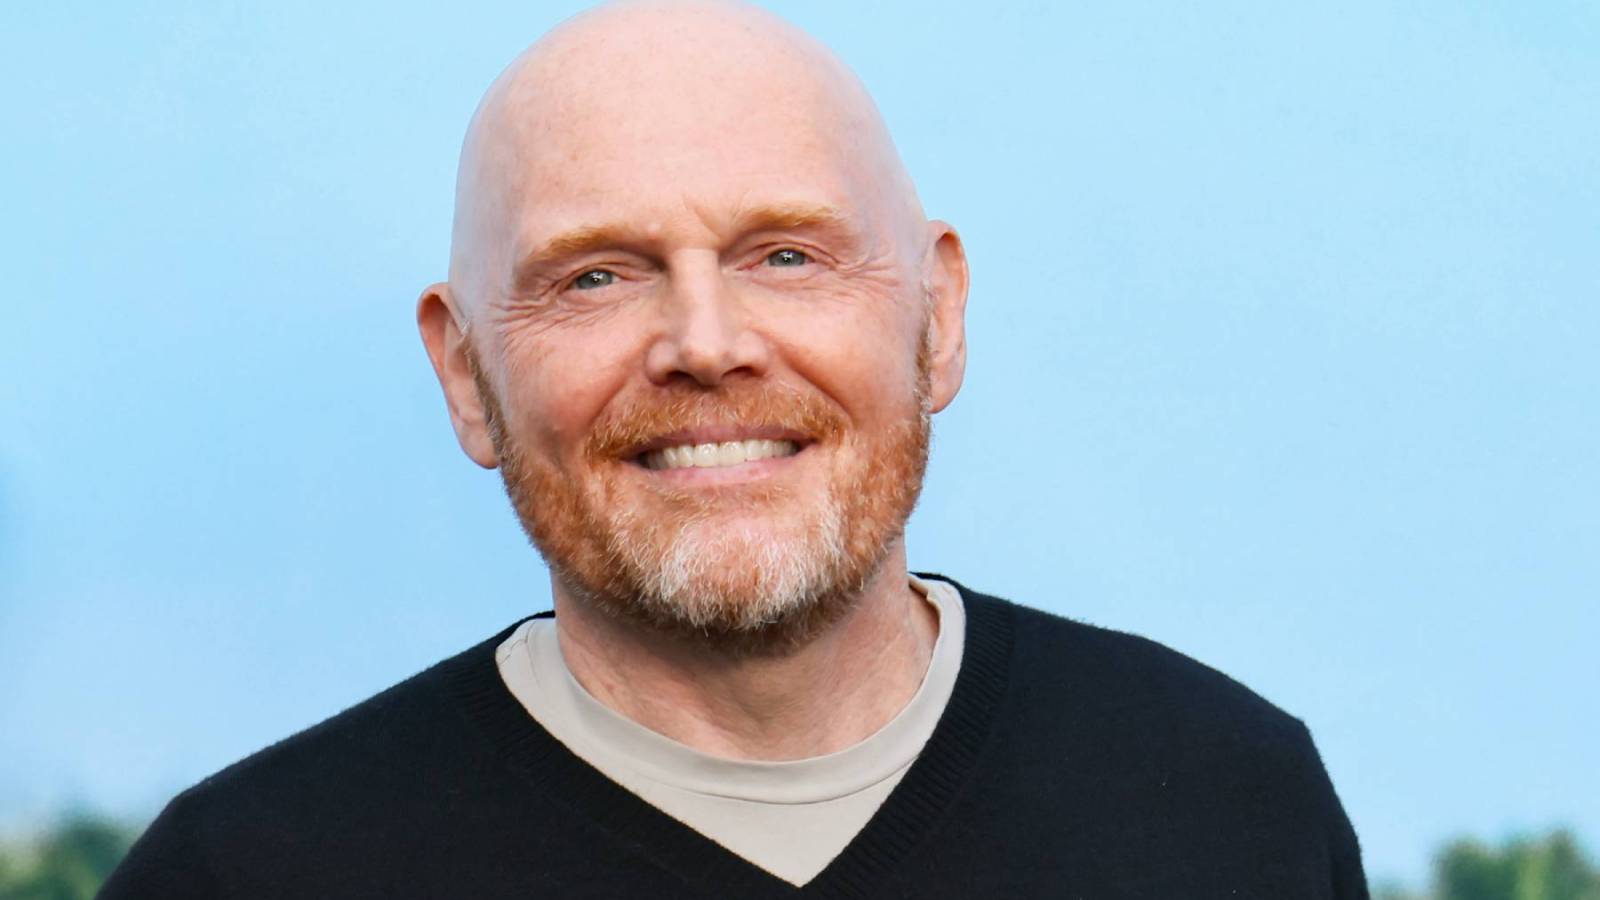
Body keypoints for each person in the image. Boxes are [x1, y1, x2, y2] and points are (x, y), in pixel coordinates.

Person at [101, 2, 1369, 897]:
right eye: (595, 276)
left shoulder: (1229, 799)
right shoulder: (245, 876)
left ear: (938, 317)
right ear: (465, 375)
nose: (705, 345)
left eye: (787, 256)